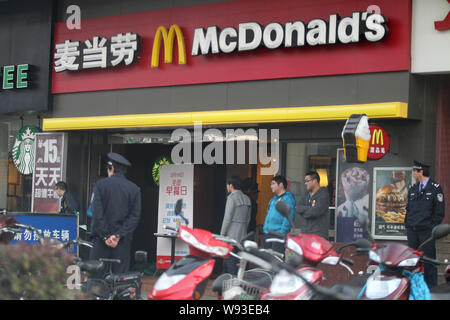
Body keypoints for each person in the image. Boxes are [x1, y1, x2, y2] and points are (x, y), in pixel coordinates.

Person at [89, 152, 142, 276]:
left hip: (101, 242)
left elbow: (97, 213)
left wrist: (106, 236)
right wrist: (118, 235)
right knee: (119, 280)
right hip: (122, 243)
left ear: (111, 168)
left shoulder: (100, 185)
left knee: (97, 280)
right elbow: (135, 216)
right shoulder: (134, 189)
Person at [405, 159, 445, 288]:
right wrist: (407, 224)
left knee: (429, 261)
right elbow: (408, 209)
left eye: (414, 171)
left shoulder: (435, 188)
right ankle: (413, 286)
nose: (413, 173)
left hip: (426, 231)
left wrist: (432, 227)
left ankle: (431, 288)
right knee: (412, 261)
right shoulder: (413, 188)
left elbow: (439, 212)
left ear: (420, 171)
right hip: (412, 230)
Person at [220, 176, 251, 275]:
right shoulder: (247, 198)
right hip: (243, 235)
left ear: (231, 185)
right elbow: (248, 219)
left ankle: (232, 285)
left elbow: (227, 218)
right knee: (240, 263)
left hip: (232, 236)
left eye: (227, 185)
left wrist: (222, 234)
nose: (227, 187)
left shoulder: (231, 198)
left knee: (231, 263)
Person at [263, 175, 296, 254]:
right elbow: (268, 214)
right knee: (268, 261)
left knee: (276, 260)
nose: (271, 186)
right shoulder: (273, 199)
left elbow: (288, 217)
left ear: (281, 185)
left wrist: (282, 232)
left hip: (278, 235)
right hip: (268, 233)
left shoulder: (288, 198)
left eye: (273, 184)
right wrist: (265, 228)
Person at [295, 171, 330, 239]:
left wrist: (304, 212)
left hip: (318, 235)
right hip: (305, 233)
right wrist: (310, 208)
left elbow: (315, 212)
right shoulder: (306, 195)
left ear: (315, 181)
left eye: (307, 181)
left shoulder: (323, 194)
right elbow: (298, 208)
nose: (305, 183)